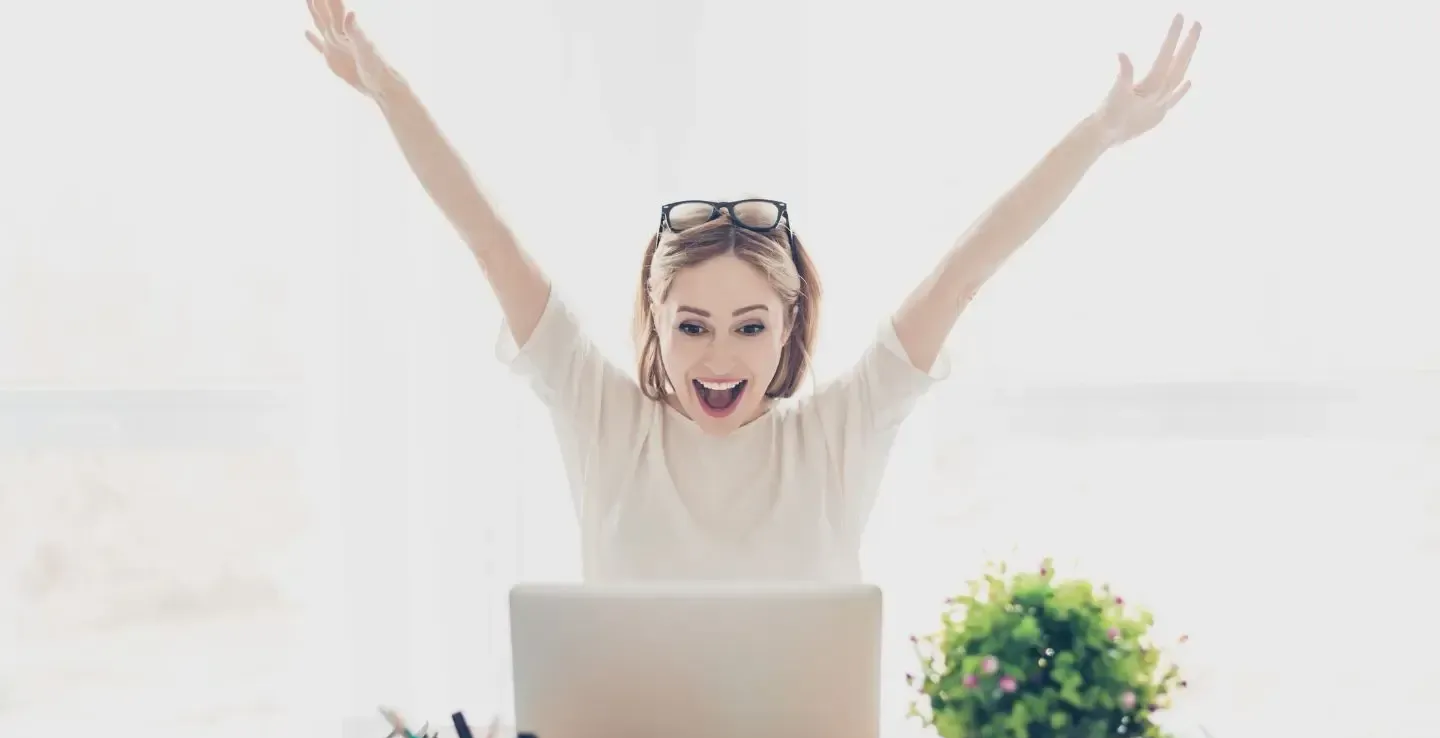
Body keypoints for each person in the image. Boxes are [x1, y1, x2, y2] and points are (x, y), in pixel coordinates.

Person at [302, 0, 1201, 583]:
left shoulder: (841, 430)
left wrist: (1099, 134)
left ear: (788, 330)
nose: (720, 356)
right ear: (653, 321)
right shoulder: (601, 415)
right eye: (691, 325)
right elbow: (486, 236)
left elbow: (965, 269)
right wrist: (387, 89)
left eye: (748, 325)